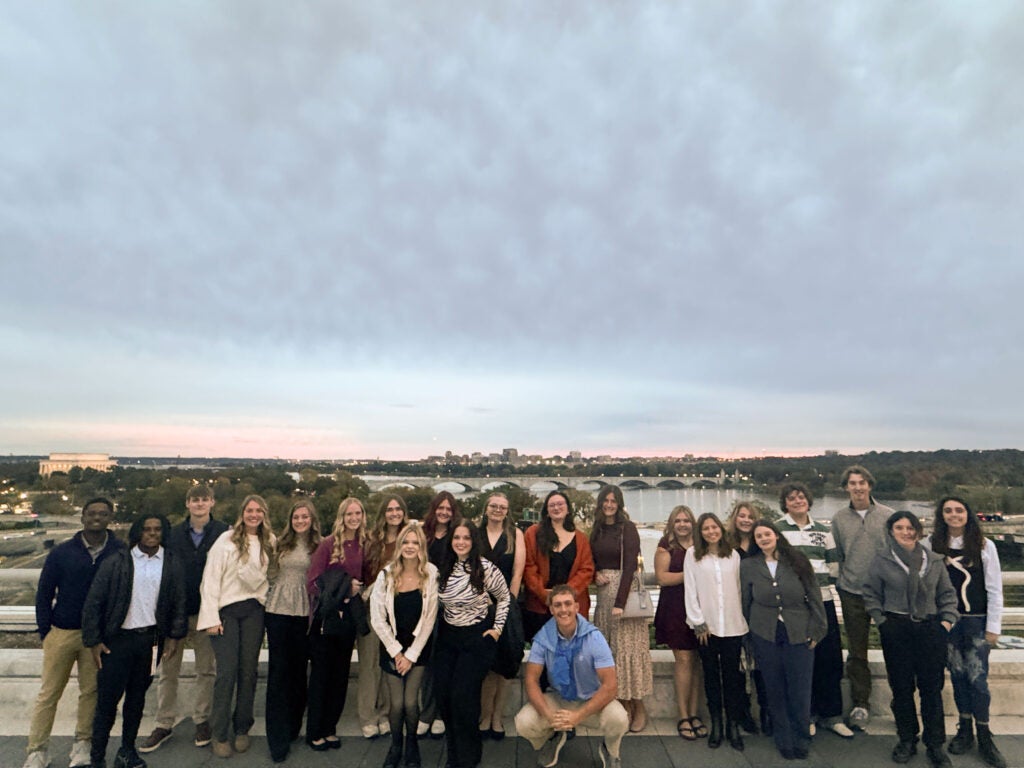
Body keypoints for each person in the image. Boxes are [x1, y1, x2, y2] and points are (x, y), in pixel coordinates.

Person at [24, 497, 125, 768]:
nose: (97, 518)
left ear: (109, 518)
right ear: (82, 517)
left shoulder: (119, 551)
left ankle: (82, 745)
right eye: (92, 513)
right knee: (49, 694)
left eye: (103, 514)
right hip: (62, 632)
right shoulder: (63, 552)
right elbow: (44, 593)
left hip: (97, 638)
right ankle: (37, 750)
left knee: (90, 692)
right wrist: (46, 631)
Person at [82, 514, 188, 768]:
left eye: (157, 530)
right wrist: (94, 640)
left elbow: (178, 601)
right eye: (147, 529)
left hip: (150, 642)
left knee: (136, 700)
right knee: (107, 703)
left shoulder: (171, 562)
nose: (152, 534)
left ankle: (127, 751)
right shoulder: (118, 561)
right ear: (138, 532)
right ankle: (97, 758)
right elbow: (94, 601)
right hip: (117, 642)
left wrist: (174, 636)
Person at [863, 511, 958, 768]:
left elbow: (948, 595)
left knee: (931, 688)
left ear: (917, 530)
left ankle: (935, 743)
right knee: (902, 688)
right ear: (891, 531)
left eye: (910, 527)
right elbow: (870, 593)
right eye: (899, 527)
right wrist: (882, 622)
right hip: (896, 628)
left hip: (930, 629)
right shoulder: (882, 560)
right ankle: (907, 739)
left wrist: (945, 623)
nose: (906, 532)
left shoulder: (934, 560)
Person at [141, 484, 228, 754]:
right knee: (168, 671)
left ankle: (202, 720)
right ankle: (164, 723)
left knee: (207, 670)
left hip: (208, 612)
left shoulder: (224, 532)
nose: (200, 504)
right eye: (195, 500)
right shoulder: (173, 534)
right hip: (175, 613)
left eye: (204, 499)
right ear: (187, 503)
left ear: (212, 502)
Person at [925, 497, 1006, 768]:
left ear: (967, 514)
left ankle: (984, 733)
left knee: (977, 679)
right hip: (947, 622)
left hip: (976, 621)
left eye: (959, 510)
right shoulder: (931, 544)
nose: (954, 515)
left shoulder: (984, 545)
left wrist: (993, 626)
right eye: (948, 510)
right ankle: (965, 728)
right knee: (958, 677)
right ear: (942, 515)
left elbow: (994, 588)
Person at [514, 585, 628, 768]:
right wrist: (549, 716)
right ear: (551, 610)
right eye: (558, 605)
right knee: (524, 722)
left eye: (568, 604)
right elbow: (531, 680)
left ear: (576, 606)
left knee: (619, 718)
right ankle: (551, 738)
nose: (563, 610)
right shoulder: (543, 638)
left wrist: (578, 716)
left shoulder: (594, 638)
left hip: (591, 700)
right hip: (558, 699)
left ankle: (611, 750)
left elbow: (610, 685)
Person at [740, 521, 827, 761]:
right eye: (758, 536)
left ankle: (801, 737)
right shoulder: (748, 566)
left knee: (800, 688)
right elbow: (746, 601)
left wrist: (818, 630)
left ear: (776, 535)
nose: (763, 539)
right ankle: (783, 738)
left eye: (767, 534)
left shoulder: (797, 560)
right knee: (775, 688)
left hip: (798, 631)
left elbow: (814, 596)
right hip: (764, 632)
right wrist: (748, 636)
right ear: (755, 541)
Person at [198, 494, 275, 759]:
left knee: (248, 672)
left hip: (254, 611)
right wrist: (211, 618)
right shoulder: (226, 540)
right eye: (249, 510)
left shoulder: (269, 542)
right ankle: (219, 732)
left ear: (264, 514)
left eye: (259, 511)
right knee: (227, 673)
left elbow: (271, 578)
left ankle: (242, 727)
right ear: (242, 513)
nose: (254, 515)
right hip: (226, 613)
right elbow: (210, 580)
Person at [776, 482, 854, 739]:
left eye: (801, 497)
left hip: (823, 602)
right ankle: (806, 714)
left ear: (808, 501)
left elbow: (834, 568)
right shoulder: (778, 529)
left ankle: (832, 716)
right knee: (801, 662)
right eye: (791, 498)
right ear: (785, 504)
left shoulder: (824, 530)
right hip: (795, 607)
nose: (797, 501)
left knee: (829, 659)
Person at [433, 522, 510, 768]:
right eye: (457, 537)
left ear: (473, 541)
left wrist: (496, 630)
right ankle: (453, 753)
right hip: (447, 639)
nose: (461, 542)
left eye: (466, 538)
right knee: (443, 697)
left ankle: (468, 756)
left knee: (462, 699)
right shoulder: (443, 568)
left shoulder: (485, 568)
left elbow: (505, 597)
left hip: (476, 639)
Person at [370, 522, 439, 768]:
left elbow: (429, 619)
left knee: (411, 702)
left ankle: (412, 746)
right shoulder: (386, 575)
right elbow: (377, 618)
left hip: (418, 649)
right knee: (396, 704)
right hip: (392, 647)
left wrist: (410, 655)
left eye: (415, 543)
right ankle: (396, 745)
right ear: (399, 546)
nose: (410, 547)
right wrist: (397, 652)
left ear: (421, 547)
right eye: (406, 542)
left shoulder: (430, 574)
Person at [831, 464, 893, 730]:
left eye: (862, 482)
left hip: (885, 595)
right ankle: (860, 703)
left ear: (870, 485)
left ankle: (900, 704)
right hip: (852, 592)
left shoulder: (888, 516)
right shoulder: (839, 519)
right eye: (852, 483)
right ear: (846, 488)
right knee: (857, 651)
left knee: (895, 648)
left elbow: (897, 554)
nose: (857, 487)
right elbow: (836, 557)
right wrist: (842, 582)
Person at [305, 496, 368, 752]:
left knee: (340, 676)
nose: (354, 518)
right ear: (341, 517)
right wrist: (343, 590)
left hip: (348, 620)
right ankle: (314, 731)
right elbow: (312, 583)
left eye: (358, 513)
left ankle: (330, 727)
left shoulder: (364, 544)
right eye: (349, 514)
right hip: (326, 620)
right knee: (321, 676)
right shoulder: (327, 545)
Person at [590, 485, 653, 733]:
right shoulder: (596, 529)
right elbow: (591, 559)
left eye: (613, 500)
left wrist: (620, 603)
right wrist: (595, 573)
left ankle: (637, 706)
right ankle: (619, 705)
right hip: (604, 596)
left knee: (629, 651)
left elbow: (630, 567)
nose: (609, 504)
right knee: (611, 653)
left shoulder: (627, 528)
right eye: (605, 500)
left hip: (623, 596)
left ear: (619, 503)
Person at [263, 499, 321, 763]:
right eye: (296, 517)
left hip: (304, 613)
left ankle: (293, 726)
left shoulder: (320, 545)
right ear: (290, 519)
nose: (300, 521)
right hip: (277, 611)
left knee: (298, 673)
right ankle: (277, 737)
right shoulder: (279, 542)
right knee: (278, 673)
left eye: (304, 517)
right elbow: (268, 572)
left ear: (312, 519)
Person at [684, 512, 748, 751]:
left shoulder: (733, 556)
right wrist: (698, 622)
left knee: (732, 678)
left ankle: (733, 725)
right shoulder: (693, 555)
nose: (711, 532)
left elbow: (739, 590)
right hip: (706, 629)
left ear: (721, 529)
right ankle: (717, 724)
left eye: (714, 527)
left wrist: (742, 619)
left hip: (732, 626)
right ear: (700, 533)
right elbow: (690, 590)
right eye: (706, 529)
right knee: (711, 676)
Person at [477, 492, 526, 740]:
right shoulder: (476, 534)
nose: (498, 510)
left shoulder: (515, 535)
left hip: (506, 607)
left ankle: (497, 717)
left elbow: (517, 573)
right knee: (486, 665)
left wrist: (508, 604)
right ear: (486, 509)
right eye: (494, 506)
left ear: (507, 511)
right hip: (479, 607)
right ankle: (485, 716)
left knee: (505, 666)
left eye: (502, 507)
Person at [653, 505, 703, 741]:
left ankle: (695, 714)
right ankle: (683, 715)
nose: (682, 524)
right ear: (672, 524)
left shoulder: (701, 545)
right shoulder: (666, 545)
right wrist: (693, 574)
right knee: (683, 659)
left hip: (701, 608)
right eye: (678, 521)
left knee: (696, 660)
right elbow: (663, 577)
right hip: (675, 608)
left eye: (686, 520)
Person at [360, 495, 409, 740]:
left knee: (392, 663)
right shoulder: (371, 540)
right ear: (383, 513)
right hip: (372, 608)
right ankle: (369, 716)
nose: (394, 513)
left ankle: (388, 712)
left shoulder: (409, 539)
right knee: (369, 664)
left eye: (398, 509)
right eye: (389, 509)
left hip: (399, 611)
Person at [416, 491, 461, 739]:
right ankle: (427, 712)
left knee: (446, 659)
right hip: (425, 603)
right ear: (434, 510)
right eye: (440, 508)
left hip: (451, 604)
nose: (444, 512)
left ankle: (440, 713)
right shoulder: (424, 534)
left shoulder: (457, 535)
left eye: (448, 509)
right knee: (428, 658)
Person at [523, 491, 595, 641]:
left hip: (571, 607)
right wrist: (545, 595)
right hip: (541, 606)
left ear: (568, 509)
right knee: (543, 653)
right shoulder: (533, 533)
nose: (556, 508)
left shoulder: (580, 538)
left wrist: (565, 595)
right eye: (552, 505)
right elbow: (528, 567)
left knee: (573, 653)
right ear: (547, 511)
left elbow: (586, 570)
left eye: (560, 504)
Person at [725, 500, 768, 735]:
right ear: (735, 518)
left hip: (760, 610)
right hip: (734, 610)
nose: (746, 520)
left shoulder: (761, 543)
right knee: (739, 665)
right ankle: (742, 713)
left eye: (750, 516)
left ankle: (766, 710)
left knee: (762, 663)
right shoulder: (726, 545)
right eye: (741, 515)